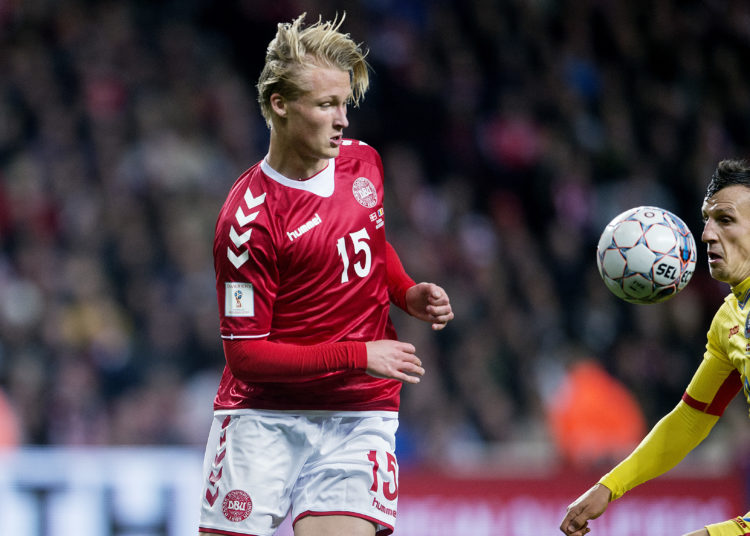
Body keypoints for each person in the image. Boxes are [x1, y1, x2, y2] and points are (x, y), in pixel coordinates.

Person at [197, 13, 454, 536]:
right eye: (326, 105)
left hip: (358, 415)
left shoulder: (363, 164)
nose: (343, 121)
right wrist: (360, 353)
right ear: (280, 105)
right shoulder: (247, 223)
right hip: (263, 420)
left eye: (344, 104)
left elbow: (370, 241)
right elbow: (245, 356)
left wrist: (405, 292)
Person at [560, 158, 750, 536]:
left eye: (725, 220)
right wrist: (608, 487)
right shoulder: (729, 319)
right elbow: (689, 419)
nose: (708, 234)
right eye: (706, 220)